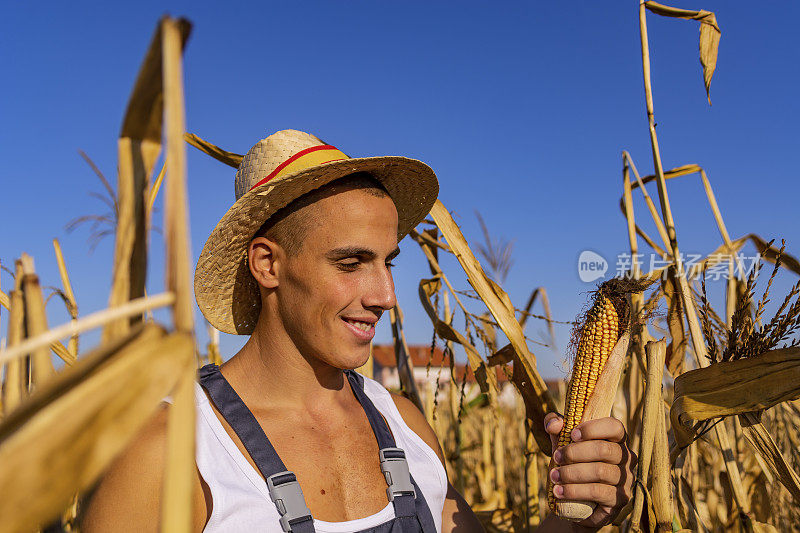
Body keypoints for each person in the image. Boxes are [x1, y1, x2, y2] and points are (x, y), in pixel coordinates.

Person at [83, 129, 635, 532]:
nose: (386, 297)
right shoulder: (169, 453)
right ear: (267, 265)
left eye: (388, 263)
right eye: (350, 264)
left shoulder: (404, 425)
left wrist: (578, 516)